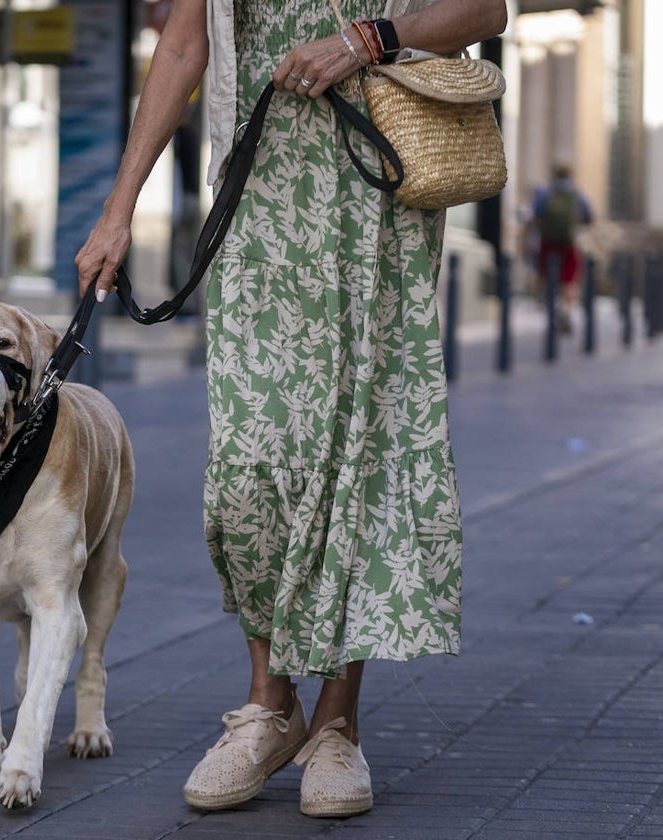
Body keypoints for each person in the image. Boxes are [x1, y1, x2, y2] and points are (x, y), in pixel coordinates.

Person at [75, 0, 507, 819]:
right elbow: (182, 45)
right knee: (251, 462)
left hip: (372, 193)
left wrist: (362, 41)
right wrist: (118, 207)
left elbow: (487, 9)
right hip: (258, 196)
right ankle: (270, 709)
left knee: (354, 451)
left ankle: (336, 726)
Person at [532, 164, 593, 333]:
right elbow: (589, 217)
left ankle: (549, 305)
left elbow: (535, 213)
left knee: (544, 276)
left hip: (547, 242)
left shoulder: (545, 191)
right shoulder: (578, 194)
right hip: (568, 242)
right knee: (569, 280)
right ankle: (566, 311)